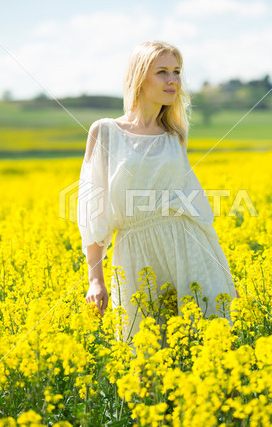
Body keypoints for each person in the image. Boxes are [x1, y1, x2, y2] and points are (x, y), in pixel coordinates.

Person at [77, 40, 240, 340]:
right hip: (135, 254)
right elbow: (94, 211)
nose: (173, 80)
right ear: (140, 77)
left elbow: (193, 207)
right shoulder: (105, 131)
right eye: (162, 72)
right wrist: (95, 280)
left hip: (188, 248)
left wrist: (218, 268)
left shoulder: (175, 134)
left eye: (177, 72)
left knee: (210, 345)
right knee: (144, 362)